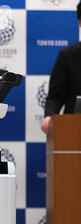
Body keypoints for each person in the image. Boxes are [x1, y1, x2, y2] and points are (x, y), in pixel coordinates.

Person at [41, 2, 81, 134]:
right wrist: (49, 115)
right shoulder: (68, 56)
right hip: (75, 130)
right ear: (80, 22)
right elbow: (55, 96)